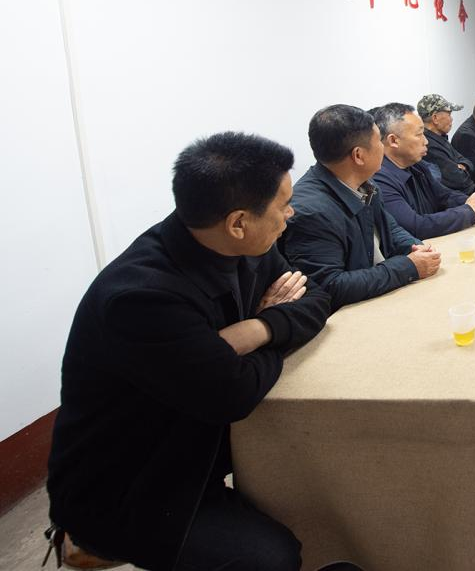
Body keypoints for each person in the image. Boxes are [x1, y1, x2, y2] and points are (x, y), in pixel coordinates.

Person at [46, 132, 330, 571]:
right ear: (238, 222)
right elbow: (231, 393)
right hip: (132, 483)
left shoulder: (241, 245)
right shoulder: (141, 296)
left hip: (197, 440)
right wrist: (271, 334)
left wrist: (256, 328)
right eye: (283, 205)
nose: (290, 214)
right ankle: (90, 544)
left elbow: (317, 297)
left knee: (314, 480)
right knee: (273, 556)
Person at [282, 104, 441, 312]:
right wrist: (408, 267)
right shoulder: (311, 211)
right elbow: (330, 286)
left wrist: (415, 247)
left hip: (380, 296)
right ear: (358, 155)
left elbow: (390, 229)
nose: (383, 148)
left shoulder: (365, 183)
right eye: (378, 142)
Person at [370, 103, 475, 238]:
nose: (426, 141)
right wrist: (469, 211)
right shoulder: (380, 180)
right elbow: (416, 226)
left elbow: (445, 196)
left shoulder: (417, 166)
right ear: (393, 140)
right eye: (419, 135)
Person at [417, 93, 475, 194]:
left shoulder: (440, 138)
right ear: (435, 118)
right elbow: (459, 179)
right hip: (462, 199)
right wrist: (459, 166)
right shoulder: (429, 146)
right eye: (449, 114)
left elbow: (467, 162)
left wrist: (464, 166)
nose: (451, 119)